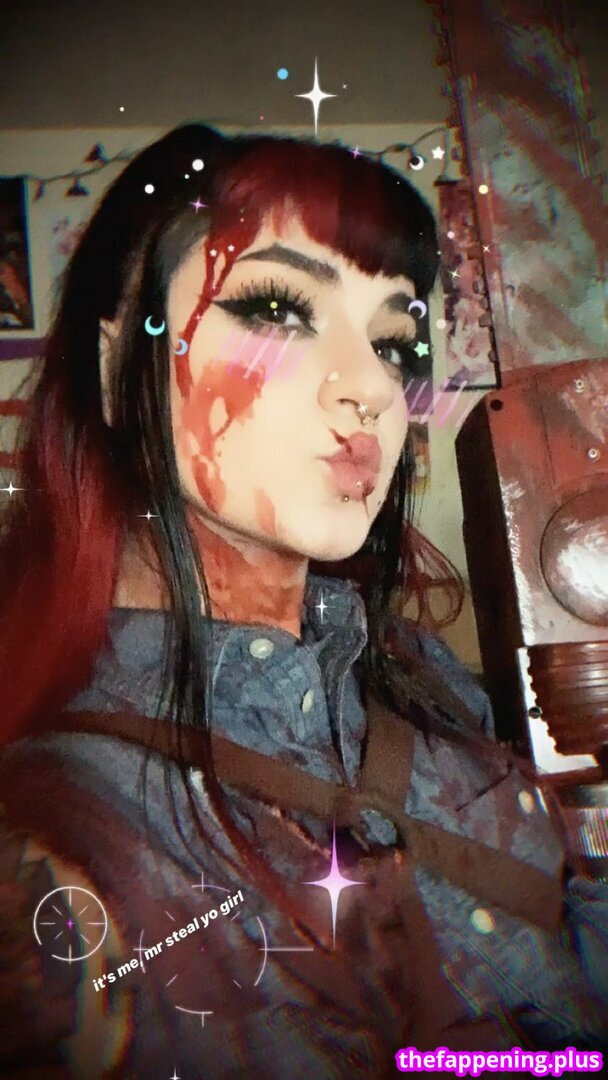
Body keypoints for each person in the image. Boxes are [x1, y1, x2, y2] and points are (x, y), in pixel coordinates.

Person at [0, 123, 606, 1080]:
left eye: (394, 341)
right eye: (278, 308)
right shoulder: (57, 837)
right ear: (120, 369)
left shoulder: (414, 672)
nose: (371, 388)